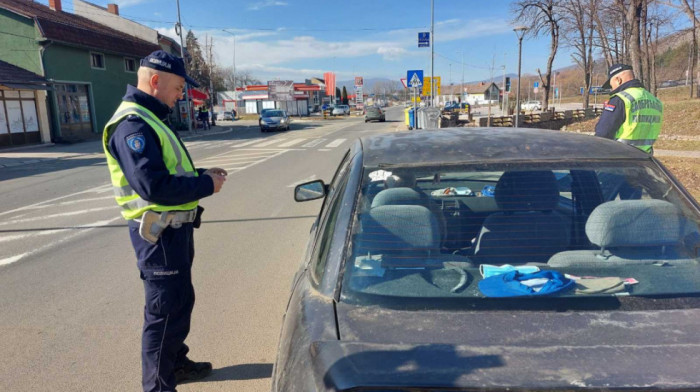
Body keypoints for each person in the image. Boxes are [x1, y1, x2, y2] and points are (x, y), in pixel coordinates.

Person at [102, 50, 227, 392]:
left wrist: (201, 175)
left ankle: (175, 364)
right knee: (163, 312)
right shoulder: (133, 124)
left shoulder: (150, 117)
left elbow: (169, 172)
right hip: (158, 234)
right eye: (176, 88)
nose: (180, 95)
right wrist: (205, 185)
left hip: (174, 230)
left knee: (179, 302)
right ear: (155, 81)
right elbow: (152, 185)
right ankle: (158, 386)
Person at [595, 63, 663, 154]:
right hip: (646, 159)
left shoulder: (620, 99)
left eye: (611, 86)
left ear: (618, 80)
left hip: (621, 158)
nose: (612, 89)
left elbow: (603, 133)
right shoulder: (654, 100)